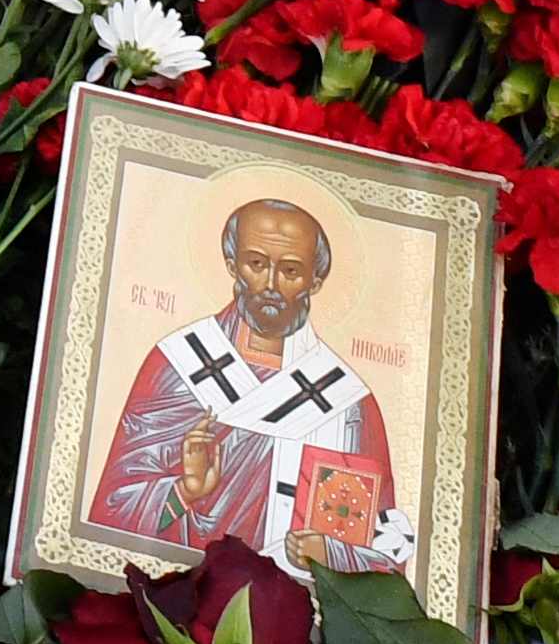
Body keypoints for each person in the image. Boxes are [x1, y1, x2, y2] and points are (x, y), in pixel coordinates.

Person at [86, 198, 411, 578]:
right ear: (232, 266)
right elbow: (112, 509)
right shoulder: (177, 363)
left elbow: (387, 545)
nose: (271, 285)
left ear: (315, 281)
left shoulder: (347, 401)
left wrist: (334, 554)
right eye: (256, 264)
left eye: (290, 270)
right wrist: (183, 493)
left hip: (288, 613)